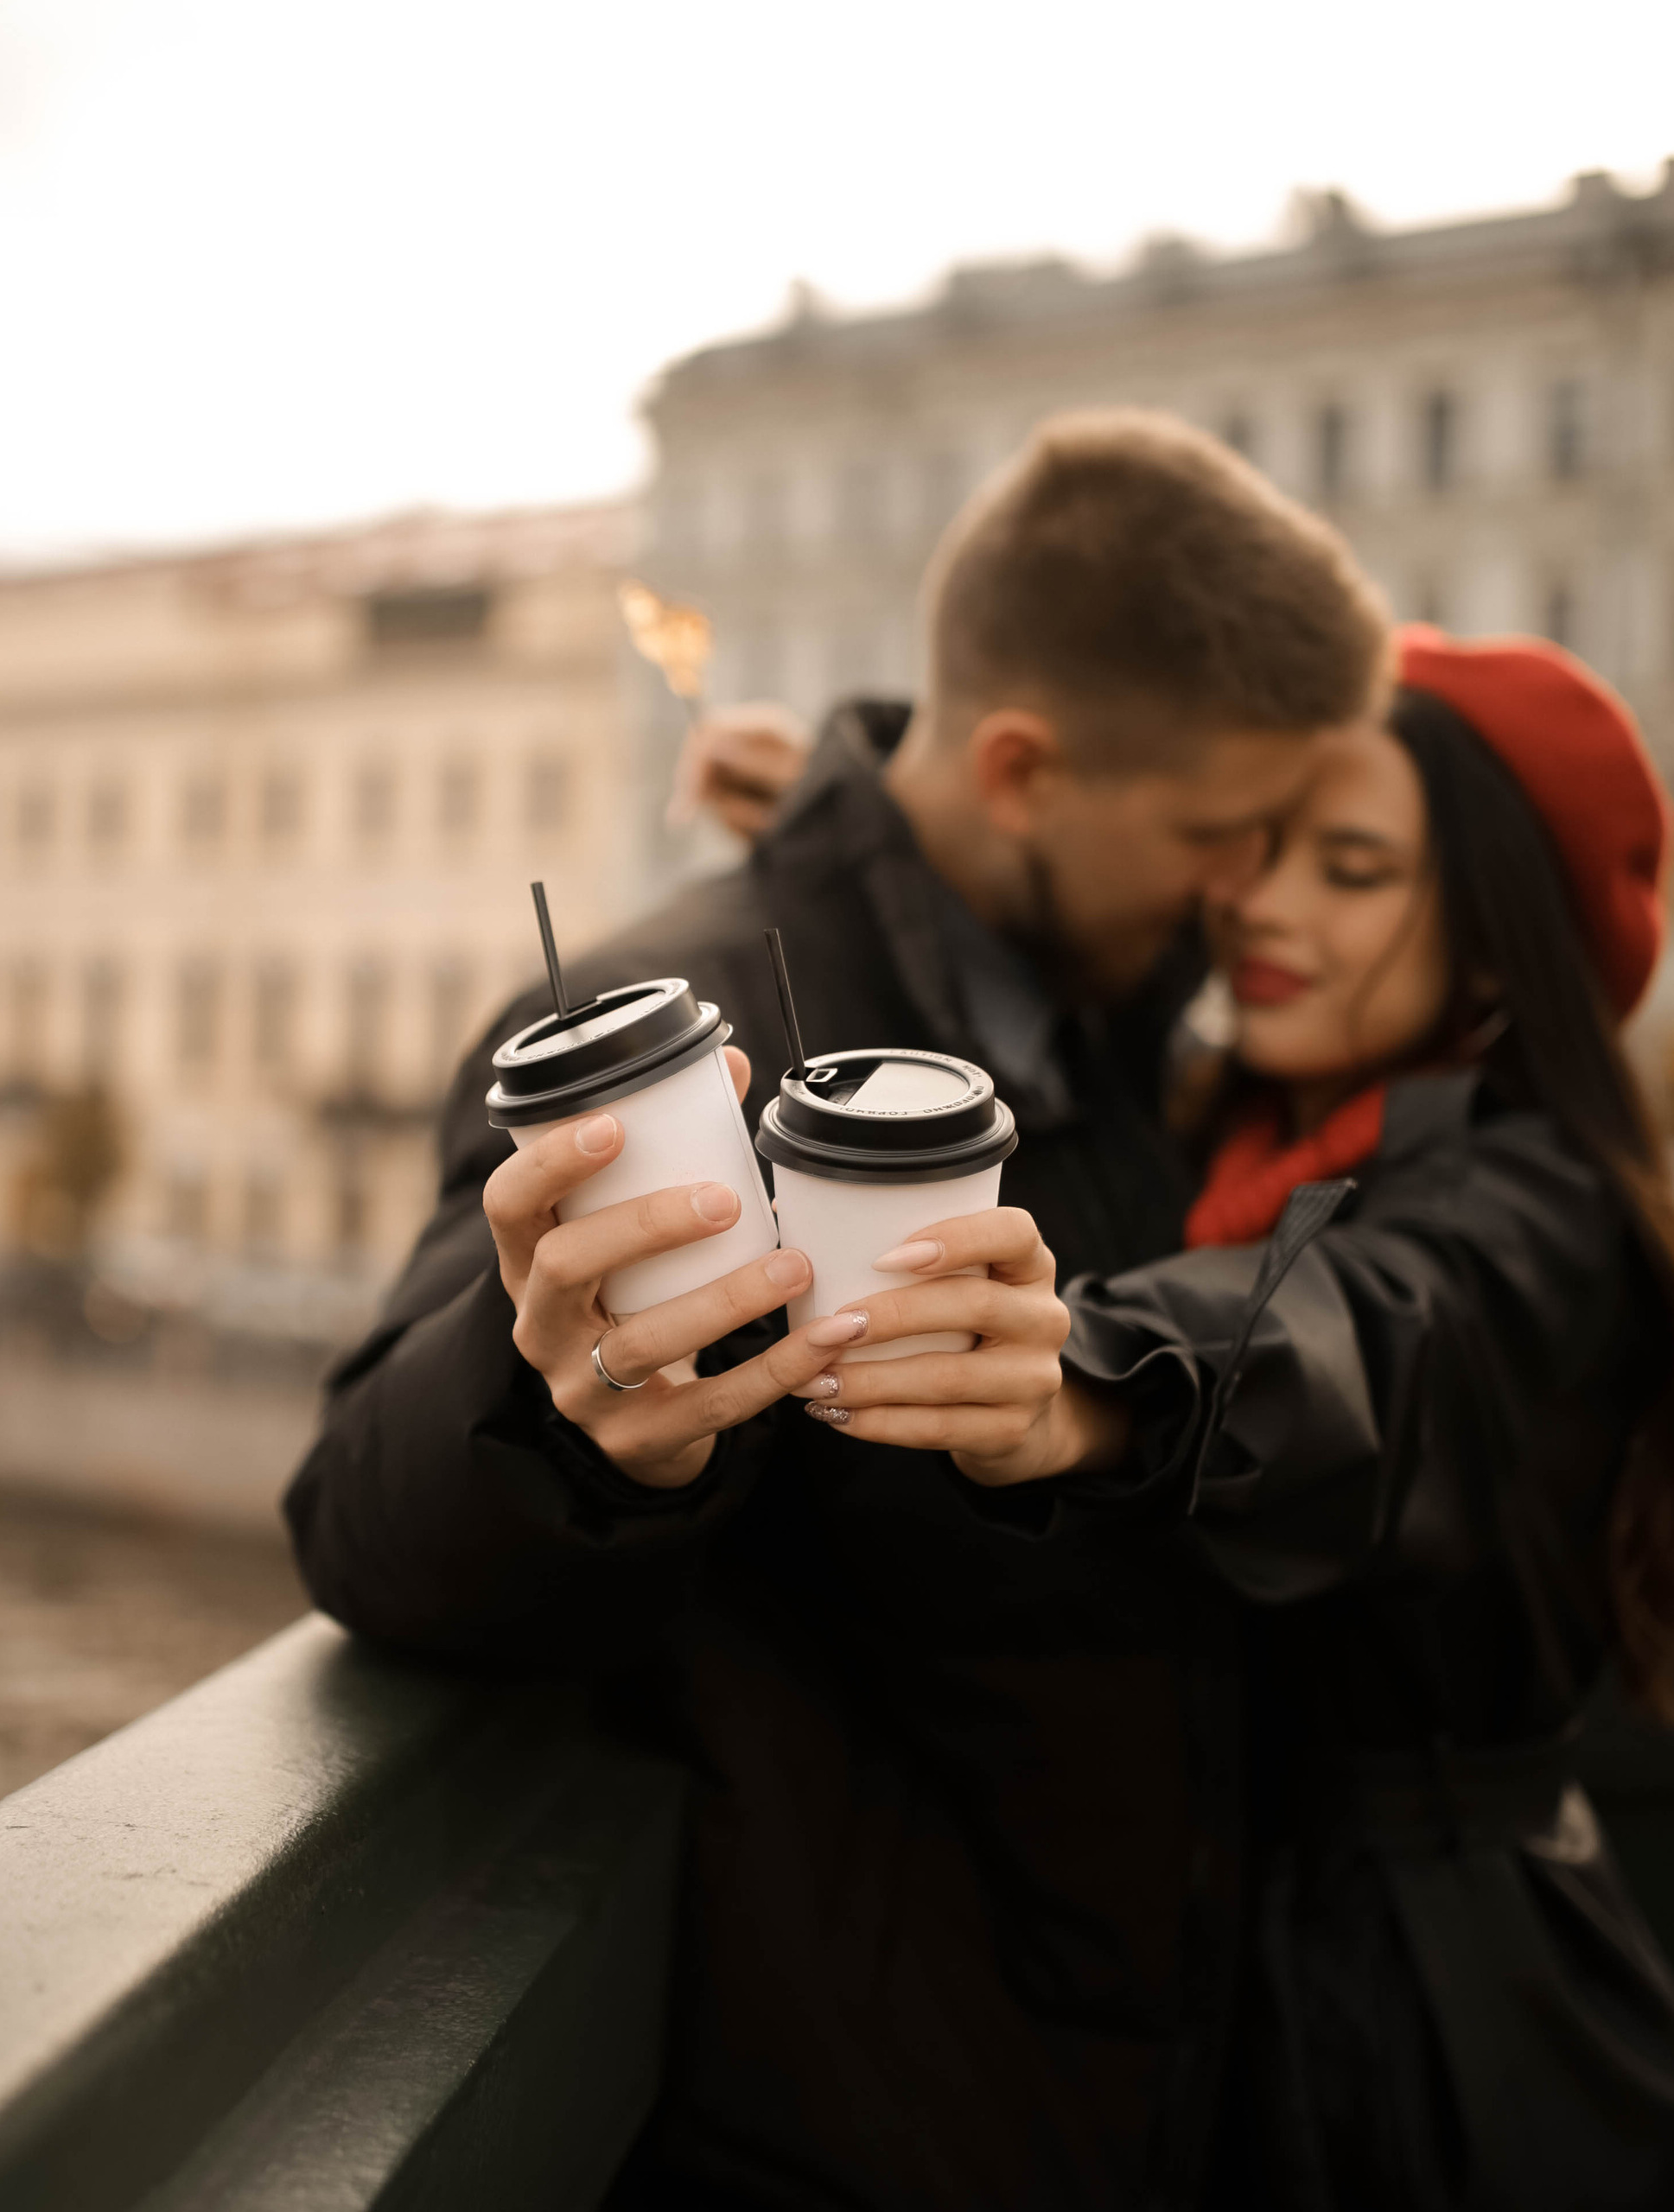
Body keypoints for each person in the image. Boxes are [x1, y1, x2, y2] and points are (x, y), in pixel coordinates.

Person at [288, 408, 1390, 2209]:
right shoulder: (675, 1018)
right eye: (1217, 830)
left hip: (1129, 2101)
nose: (1244, 886)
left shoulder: (1117, 1011)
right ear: (1023, 770)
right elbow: (353, 1514)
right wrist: (553, 1408)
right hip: (862, 2137)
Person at [803, 631, 1674, 2207]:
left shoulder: (1534, 1199)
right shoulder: (1244, 1125)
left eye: (1354, 868)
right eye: (1259, 851)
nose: (1264, 904)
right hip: (1250, 2000)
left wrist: (1090, 1376)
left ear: (1506, 949)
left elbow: (1359, 1339)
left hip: (1437, 2051)